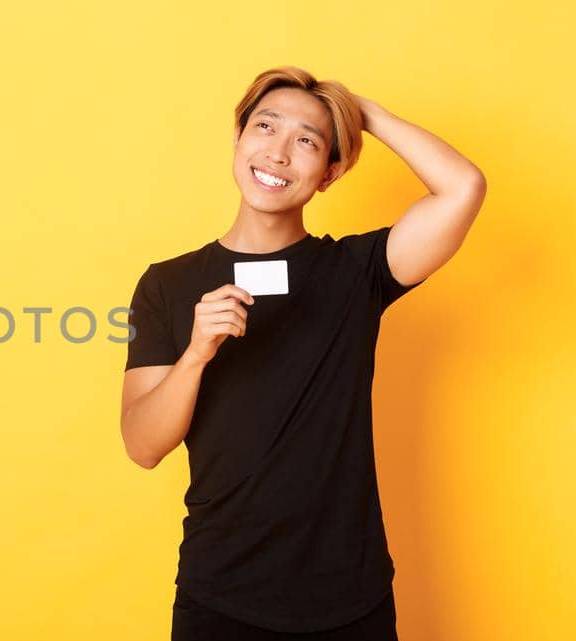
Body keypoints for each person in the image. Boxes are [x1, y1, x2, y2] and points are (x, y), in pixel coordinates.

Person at [119, 66, 487, 640]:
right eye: (265, 127)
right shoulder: (166, 285)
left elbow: (463, 187)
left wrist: (364, 114)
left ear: (330, 173)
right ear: (238, 139)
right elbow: (142, 446)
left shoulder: (356, 272)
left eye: (307, 141)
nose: (279, 152)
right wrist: (195, 354)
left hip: (349, 596)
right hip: (220, 595)